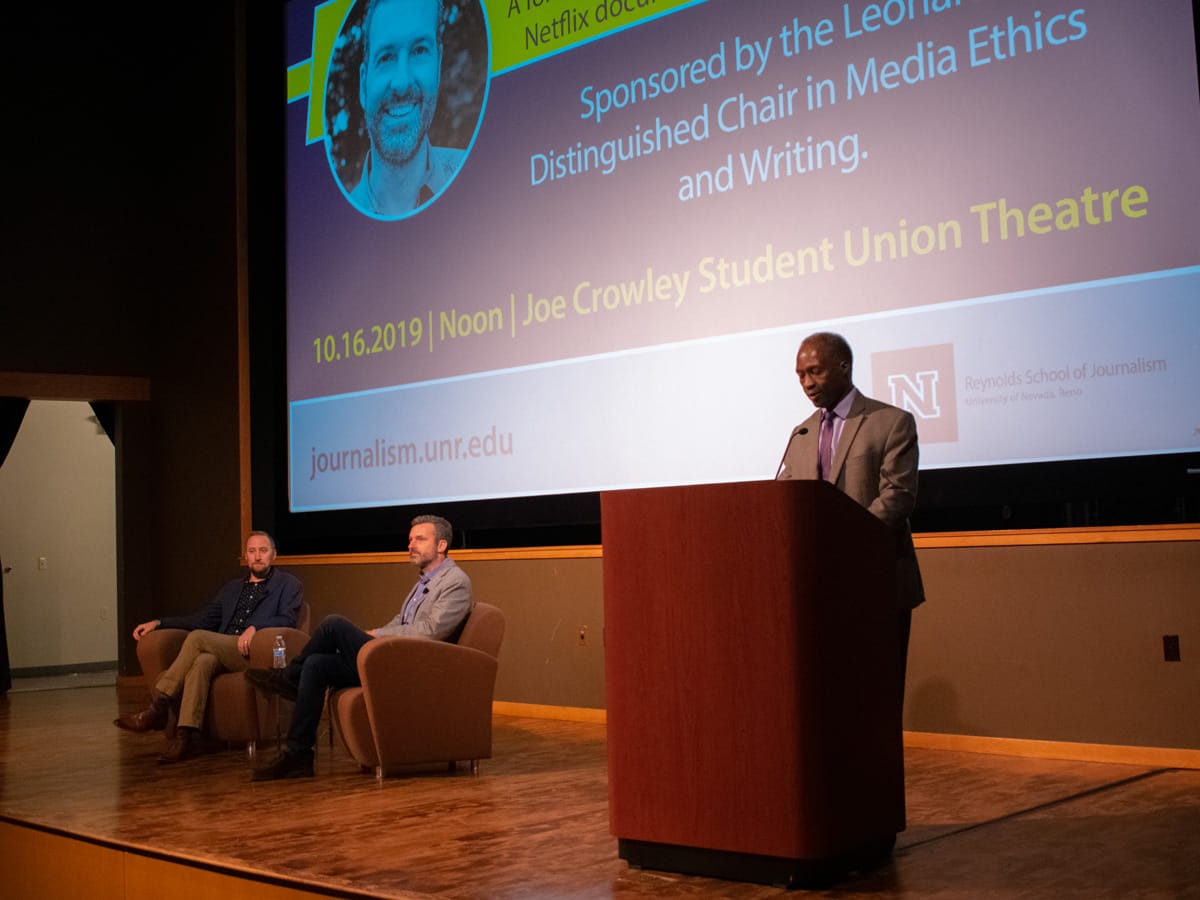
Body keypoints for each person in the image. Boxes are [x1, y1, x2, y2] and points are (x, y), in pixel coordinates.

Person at [247, 514, 472, 780]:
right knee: (316, 664)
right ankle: (299, 754)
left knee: (333, 624)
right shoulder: (424, 581)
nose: (411, 545)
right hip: (395, 655)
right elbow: (402, 621)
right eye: (410, 539)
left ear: (441, 545)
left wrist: (377, 635)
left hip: (413, 665)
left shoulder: (455, 582)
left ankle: (288, 677)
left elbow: (431, 632)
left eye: (420, 539)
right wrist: (374, 633)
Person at [776, 332, 926, 693]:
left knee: (877, 692)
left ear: (844, 367)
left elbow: (898, 496)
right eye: (800, 376)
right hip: (819, 586)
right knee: (832, 694)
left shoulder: (891, 422)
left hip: (876, 578)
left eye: (815, 372)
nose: (807, 384)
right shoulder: (802, 433)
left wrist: (844, 542)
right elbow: (785, 500)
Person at [115, 531, 304, 763]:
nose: (257, 556)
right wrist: (159, 622)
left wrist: (256, 627)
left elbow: (287, 619)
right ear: (245, 556)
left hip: (254, 652)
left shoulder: (288, 585)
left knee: (198, 639)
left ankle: (159, 706)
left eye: (263, 551)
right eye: (252, 551)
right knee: (202, 661)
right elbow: (202, 620)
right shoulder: (232, 589)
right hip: (223, 649)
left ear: (274, 555)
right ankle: (186, 736)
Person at [348, 0, 465, 215]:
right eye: (386, 58)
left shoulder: (477, 174)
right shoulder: (337, 221)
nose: (401, 83)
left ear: (438, 68)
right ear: (364, 85)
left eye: (419, 51)